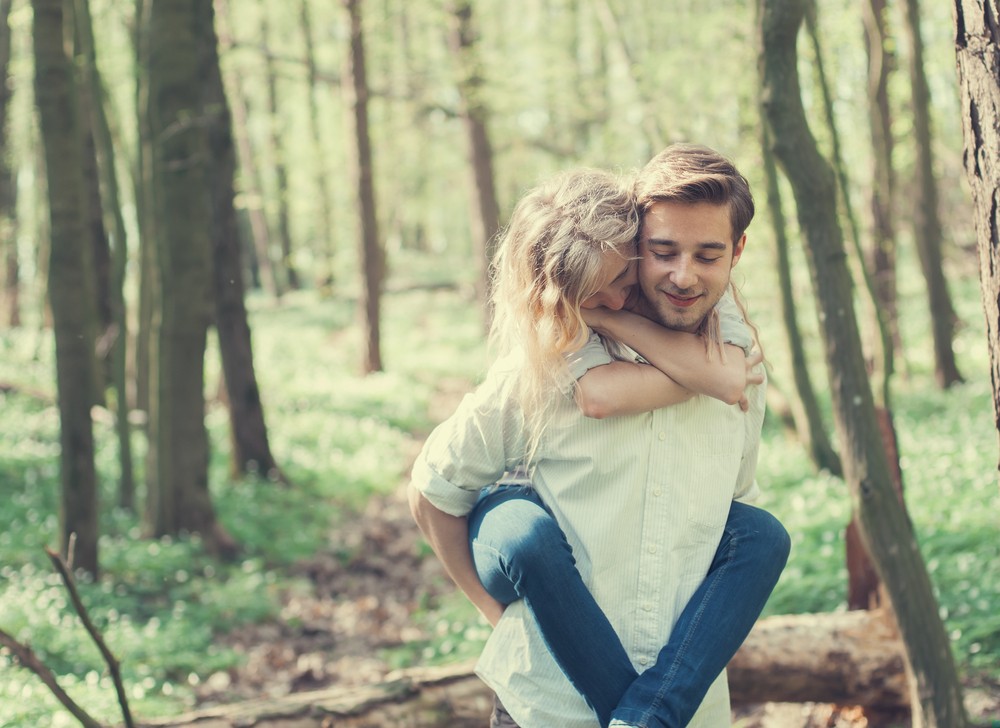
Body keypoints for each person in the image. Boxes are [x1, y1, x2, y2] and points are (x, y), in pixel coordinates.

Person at [409, 145, 790, 728]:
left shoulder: (740, 370)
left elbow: (731, 510)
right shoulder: (545, 368)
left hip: (690, 711)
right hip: (547, 708)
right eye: (662, 252)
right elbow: (435, 487)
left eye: (707, 254)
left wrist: (712, 376)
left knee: (762, 533)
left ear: (735, 252)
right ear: (638, 243)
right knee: (522, 532)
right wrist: (494, 613)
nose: (683, 275)